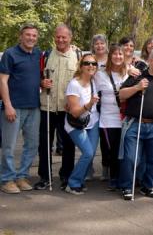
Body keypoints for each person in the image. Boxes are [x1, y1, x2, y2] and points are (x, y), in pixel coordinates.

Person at [119, 48, 153, 200]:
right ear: (150, 60)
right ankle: (127, 187)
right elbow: (121, 95)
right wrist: (137, 87)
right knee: (130, 158)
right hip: (135, 123)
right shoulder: (138, 75)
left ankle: (148, 185)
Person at [0, 24, 44, 194]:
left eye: (34, 35)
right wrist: (8, 105)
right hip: (14, 107)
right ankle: (7, 179)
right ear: (21, 36)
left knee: (32, 145)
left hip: (34, 107)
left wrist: (42, 83)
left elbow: (34, 79)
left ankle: (22, 176)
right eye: (28, 35)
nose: (31, 38)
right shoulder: (10, 54)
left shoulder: (37, 54)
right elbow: (3, 81)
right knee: (9, 146)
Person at [34, 24, 78, 191]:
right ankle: (45, 177)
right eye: (58, 37)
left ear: (70, 38)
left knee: (68, 145)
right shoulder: (45, 56)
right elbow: (36, 78)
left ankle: (66, 176)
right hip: (47, 107)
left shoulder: (78, 57)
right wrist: (41, 82)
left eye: (64, 37)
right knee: (44, 144)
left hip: (67, 108)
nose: (60, 40)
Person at [63, 53, 100, 195]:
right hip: (76, 124)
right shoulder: (74, 84)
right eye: (87, 63)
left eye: (93, 64)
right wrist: (89, 104)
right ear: (81, 66)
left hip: (93, 122)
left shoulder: (93, 81)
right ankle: (72, 183)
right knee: (88, 153)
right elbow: (74, 113)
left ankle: (80, 180)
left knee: (89, 155)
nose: (90, 66)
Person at [95, 44, 129, 191]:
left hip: (125, 119)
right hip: (107, 119)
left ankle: (122, 177)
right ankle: (114, 178)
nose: (118, 57)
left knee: (124, 150)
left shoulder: (128, 74)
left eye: (120, 54)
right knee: (112, 150)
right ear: (110, 56)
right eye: (115, 54)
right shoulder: (100, 74)